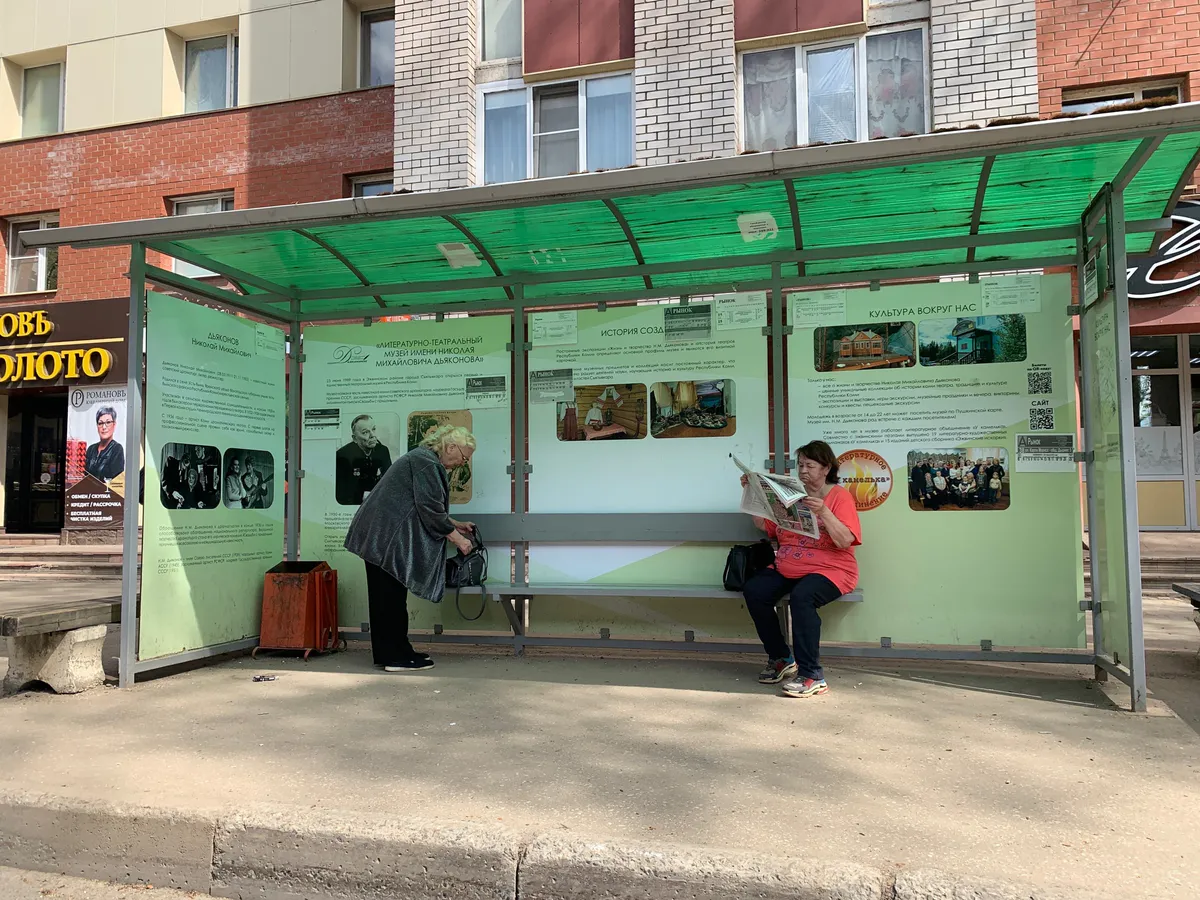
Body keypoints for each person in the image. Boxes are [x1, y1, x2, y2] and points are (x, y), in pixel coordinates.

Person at [343, 424, 477, 672]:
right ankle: (394, 657)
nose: (463, 463)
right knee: (389, 599)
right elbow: (429, 509)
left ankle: (396, 651)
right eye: (464, 457)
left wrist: (454, 524)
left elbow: (421, 503)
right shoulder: (427, 463)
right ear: (450, 447)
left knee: (388, 598)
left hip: (380, 537)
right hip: (384, 539)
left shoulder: (422, 458)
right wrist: (458, 539)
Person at [741, 440, 862, 698]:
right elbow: (766, 527)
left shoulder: (839, 497)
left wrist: (824, 512)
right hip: (789, 565)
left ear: (826, 468)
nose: (803, 470)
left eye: (810, 465)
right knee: (755, 590)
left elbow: (845, 541)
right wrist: (754, 493)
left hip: (832, 568)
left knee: (802, 597)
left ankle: (812, 675)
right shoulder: (791, 495)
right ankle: (781, 658)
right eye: (801, 465)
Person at [336, 415, 393, 505]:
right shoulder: (343, 455)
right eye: (365, 432)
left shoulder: (383, 451)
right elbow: (341, 494)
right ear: (355, 438)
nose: (373, 435)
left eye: (373, 429)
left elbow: (390, 481)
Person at [85, 406, 125, 483]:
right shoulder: (91, 449)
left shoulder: (117, 449)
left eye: (108, 422)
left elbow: (116, 481)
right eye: (100, 423)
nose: (104, 427)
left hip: (106, 490)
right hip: (88, 490)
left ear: (114, 425)